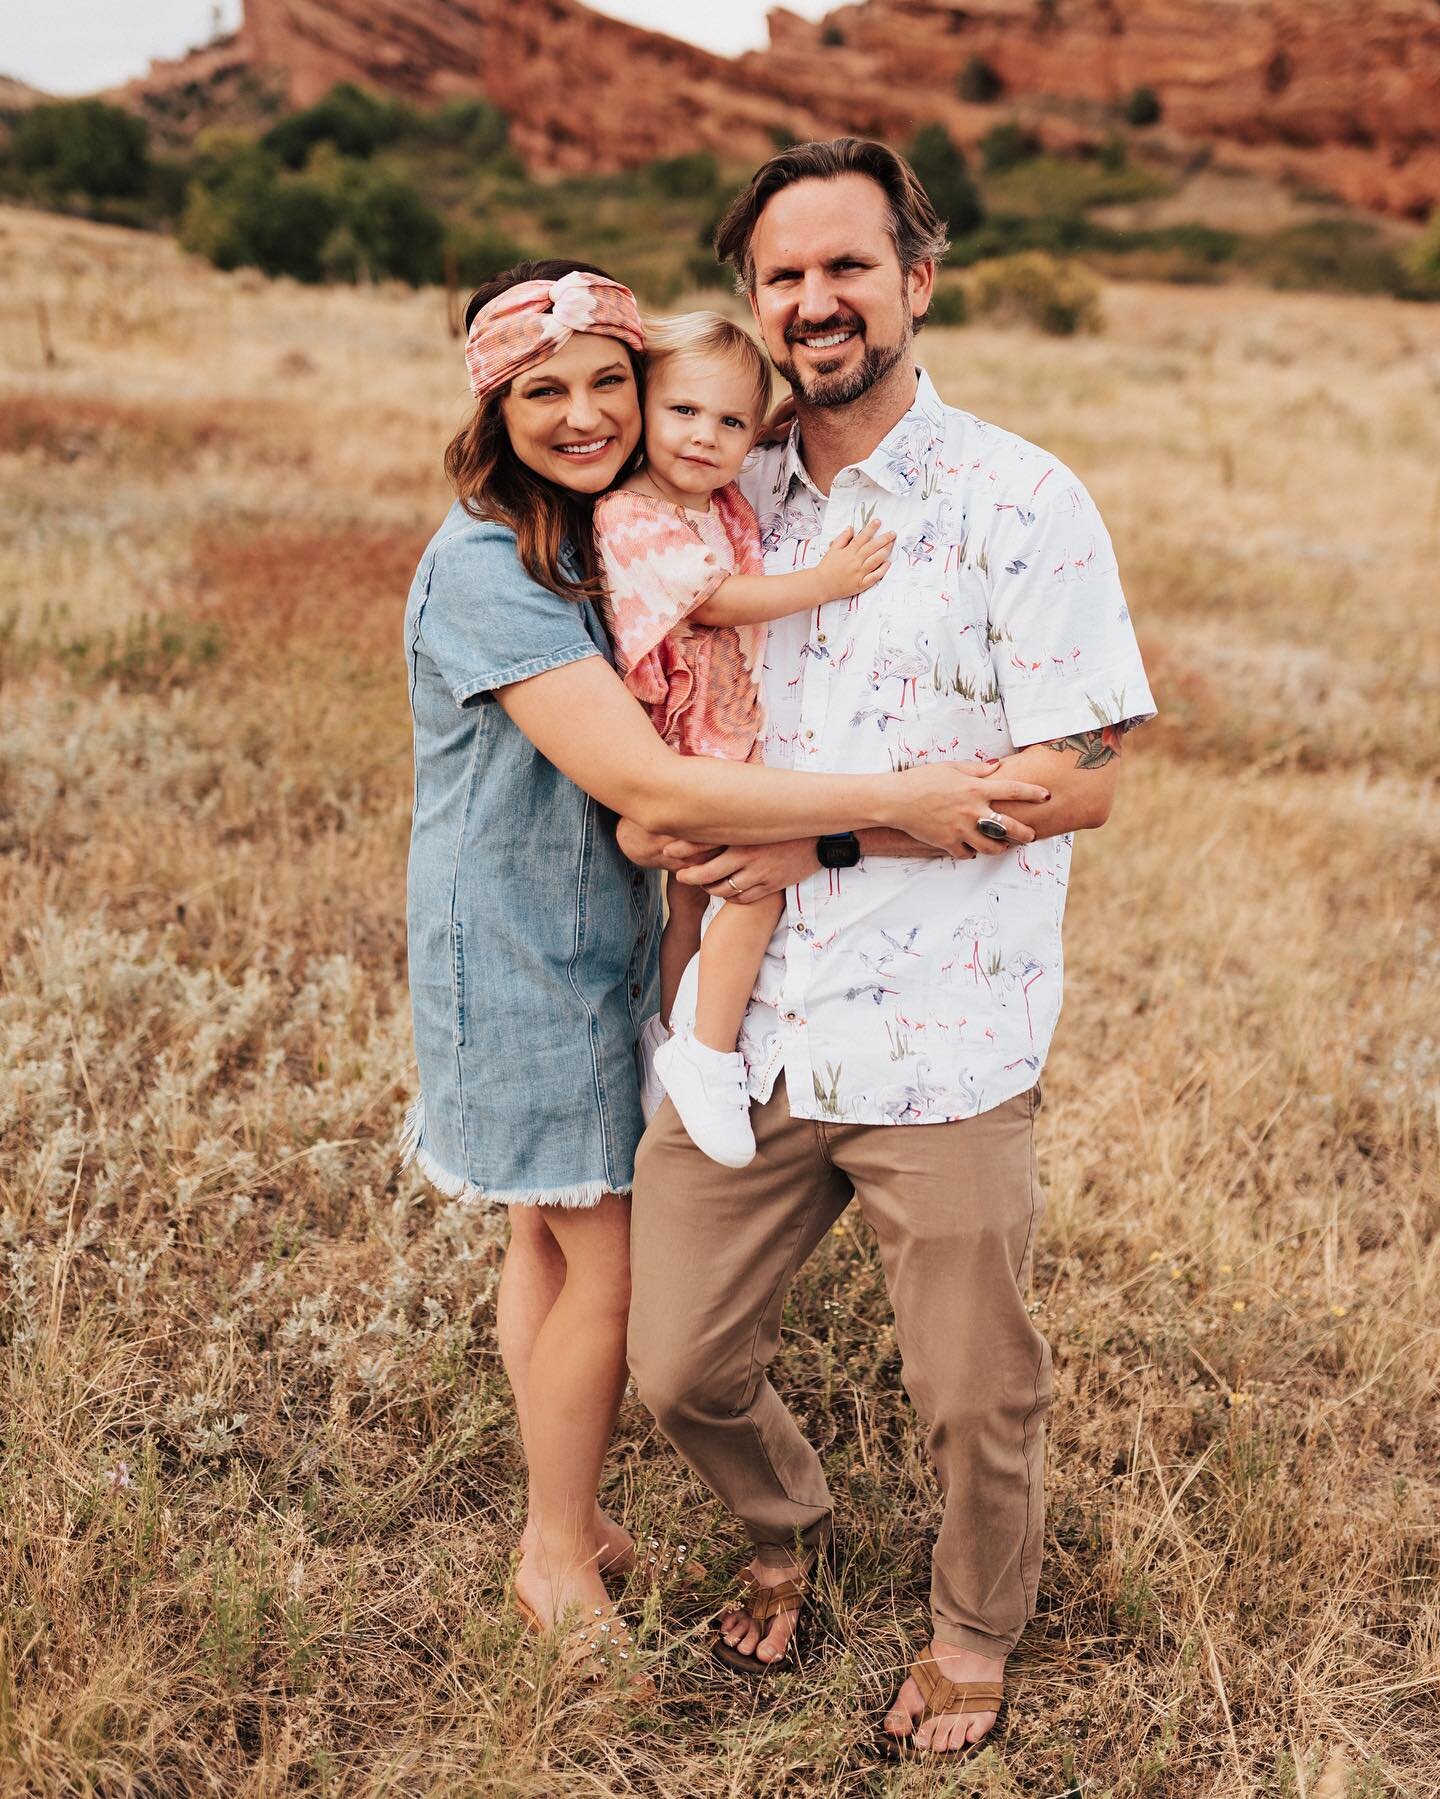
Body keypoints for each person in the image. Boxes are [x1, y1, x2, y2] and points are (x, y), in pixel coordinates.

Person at [399, 258, 1054, 1678]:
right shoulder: (485, 564)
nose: (582, 413)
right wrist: (887, 809)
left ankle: (557, 1507)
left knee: (544, 1233)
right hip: (525, 954)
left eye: (604, 384)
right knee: (613, 1271)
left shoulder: (592, 526)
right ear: (488, 407)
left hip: (587, 935)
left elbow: (752, 432)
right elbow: (652, 784)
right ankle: (557, 1549)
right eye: (542, 391)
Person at [622, 138, 1156, 1755]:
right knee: (680, 1361)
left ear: (916, 281)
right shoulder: (713, 497)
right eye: (782, 274)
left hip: (944, 1030)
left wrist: (828, 834)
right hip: (747, 1021)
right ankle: (781, 1518)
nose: (814, 299)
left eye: (848, 265)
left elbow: (1089, 775)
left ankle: (974, 1629)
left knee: (976, 1391)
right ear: (752, 303)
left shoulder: (1019, 496)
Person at [596, 311, 894, 1167]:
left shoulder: (716, 495)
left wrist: (771, 415)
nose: (705, 436)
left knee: (691, 899)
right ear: (643, 410)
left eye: (729, 423)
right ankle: (707, 1051)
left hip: (721, 731)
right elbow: (716, 600)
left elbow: (747, 423)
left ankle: (667, 1032)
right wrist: (825, 582)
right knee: (755, 886)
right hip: (691, 744)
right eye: (683, 412)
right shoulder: (633, 516)